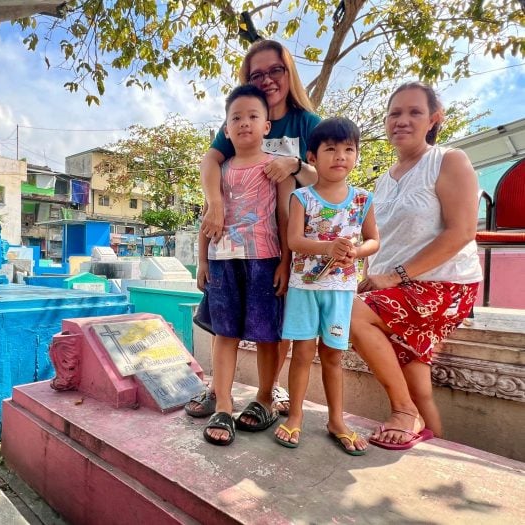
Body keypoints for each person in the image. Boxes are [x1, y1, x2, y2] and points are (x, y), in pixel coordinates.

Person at [186, 39, 321, 418]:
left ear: (288, 72)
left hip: (283, 243)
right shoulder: (235, 124)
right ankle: (221, 394)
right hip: (227, 250)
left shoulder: (308, 124)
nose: (267, 79)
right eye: (256, 73)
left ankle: (266, 394)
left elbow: (326, 175)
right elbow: (210, 162)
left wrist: (294, 166)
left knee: (270, 326)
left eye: (275, 70)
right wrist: (213, 206)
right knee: (224, 327)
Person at [350, 82, 482, 450]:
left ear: (433, 120)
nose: (402, 121)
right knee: (419, 384)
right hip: (399, 289)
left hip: (446, 285)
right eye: (395, 113)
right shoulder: (383, 181)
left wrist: (394, 277)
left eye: (414, 112)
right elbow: (383, 240)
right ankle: (434, 442)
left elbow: (462, 232)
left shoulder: (448, 161)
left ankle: (402, 412)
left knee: (348, 313)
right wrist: (369, 277)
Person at [273, 117, 379, 455]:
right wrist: (326, 247)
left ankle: (337, 420)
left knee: (333, 356)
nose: (340, 156)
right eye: (331, 149)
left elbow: (374, 240)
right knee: (301, 354)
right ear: (313, 157)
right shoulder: (302, 197)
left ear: (357, 156)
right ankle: (295, 416)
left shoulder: (363, 199)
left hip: (340, 291)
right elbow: (293, 240)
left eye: (349, 149)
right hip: (305, 289)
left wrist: (356, 251)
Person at [196, 84, 294, 445]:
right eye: (235, 117)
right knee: (226, 333)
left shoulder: (276, 168)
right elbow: (208, 215)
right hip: (223, 262)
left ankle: (264, 398)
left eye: (253, 116)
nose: (244, 123)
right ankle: (223, 403)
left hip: (265, 260)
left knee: (269, 335)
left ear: (267, 126)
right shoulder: (218, 172)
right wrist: (202, 260)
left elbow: (285, 217)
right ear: (225, 129)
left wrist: (286, 261)